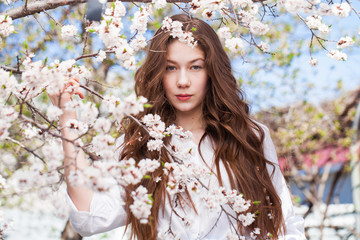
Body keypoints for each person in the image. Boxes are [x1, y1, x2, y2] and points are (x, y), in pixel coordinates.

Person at [50, 14, 305, 240]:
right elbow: (90, 217)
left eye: (196, 67)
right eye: (171, 68)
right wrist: (67, 116)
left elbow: (285, 226)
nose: (183, 81)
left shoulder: (250, 136)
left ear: (212, 71)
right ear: (158, 74)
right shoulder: (137, 145)